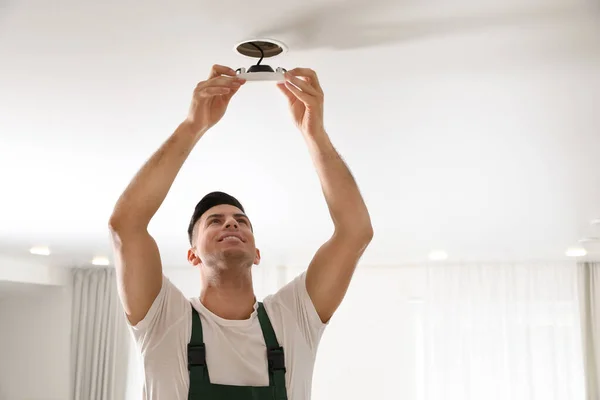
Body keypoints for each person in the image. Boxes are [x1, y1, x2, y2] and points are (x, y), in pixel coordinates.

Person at [108, 64, 373, 400]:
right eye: (214, 221)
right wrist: (193, 126)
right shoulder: (163, 319)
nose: (230, 223)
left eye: (241, 220)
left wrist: (314, 133)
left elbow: (355, 232)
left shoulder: (293, 319)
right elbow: (125, 226)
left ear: (257, 253)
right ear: (193, 255)